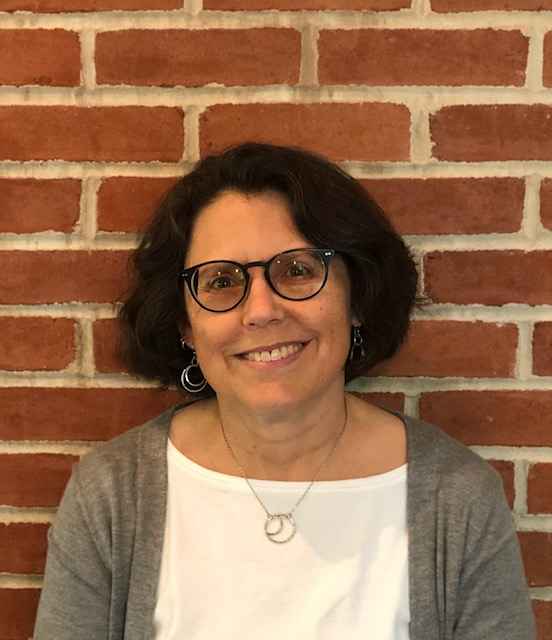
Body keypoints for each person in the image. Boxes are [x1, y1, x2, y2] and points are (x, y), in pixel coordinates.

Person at [34, 142, 535, 640]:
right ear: (185, 325)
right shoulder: (114, 496)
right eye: (221, 281)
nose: (261, 310)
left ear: (356, 296)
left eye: (297, 270)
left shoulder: (456, 499)